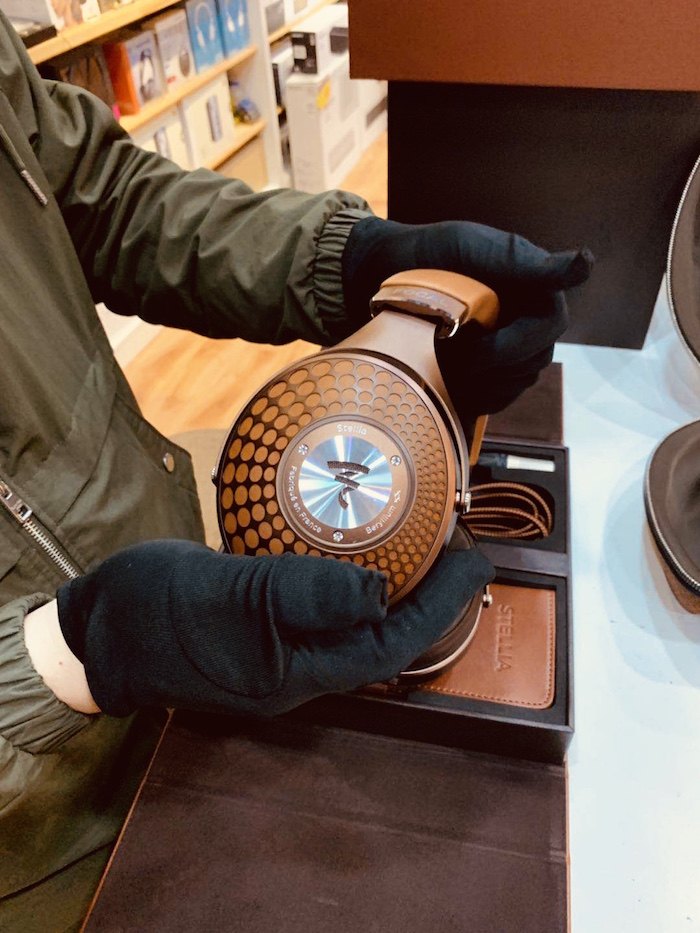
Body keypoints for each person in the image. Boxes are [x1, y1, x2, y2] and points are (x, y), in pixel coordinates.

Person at [0, 11, 592, 930]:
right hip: (40, 853)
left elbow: (93, 194)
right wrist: (72, 652)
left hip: (174, 597)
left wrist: (351, 265)